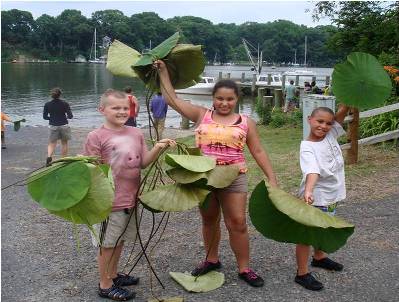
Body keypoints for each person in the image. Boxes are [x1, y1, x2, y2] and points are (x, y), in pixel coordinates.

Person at [155, 60, 278, 287]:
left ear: (237, 99)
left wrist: (271, 176)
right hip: (204, 177)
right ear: (213, 98)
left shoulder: (246, 122)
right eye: (220, 98)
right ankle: (211, 259)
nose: (224, 103)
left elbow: (258, 150)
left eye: (229, 99)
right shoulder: (202, 115)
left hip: (234, 176)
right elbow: (171, 99)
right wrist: (163, 73)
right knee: (209, 219)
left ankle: (244, 268)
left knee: (238, 222)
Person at [83, 89, 175, 301]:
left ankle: (113, 275)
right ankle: (105, 284)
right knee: (107, 244)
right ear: (102, 110)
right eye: (115, 107)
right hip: (109, 201)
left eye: (125, 108)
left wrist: (159, 148)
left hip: (131, 197)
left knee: (120, 239)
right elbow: (92, 171)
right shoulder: (96, 136)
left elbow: (143, 162)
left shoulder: (135, 133)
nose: (122, 111)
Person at [295, 104, 350, 291]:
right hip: (315, 196)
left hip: (332, 194)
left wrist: (349, 101)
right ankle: (301, 273)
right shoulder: (307, 146)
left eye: (328, 123)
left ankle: (319, 257)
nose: (323, 126)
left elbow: (340, 116)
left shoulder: (331, 135)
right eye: (319, 121)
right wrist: (309, 191)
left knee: (324, 227)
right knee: (306, 234)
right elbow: (312, 171)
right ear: (309, 119)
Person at [43, 88, 73, 166]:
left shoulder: (47, 104)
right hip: (64, 125)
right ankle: (63, 160)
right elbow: (70, 116)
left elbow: (45, 117)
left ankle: (49, 157)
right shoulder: (65, 103)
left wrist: (51, 118)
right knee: (64, 143)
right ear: (60, 95)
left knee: (52, 143)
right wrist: (66, 117)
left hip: (53, 125)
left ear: (51, 95)